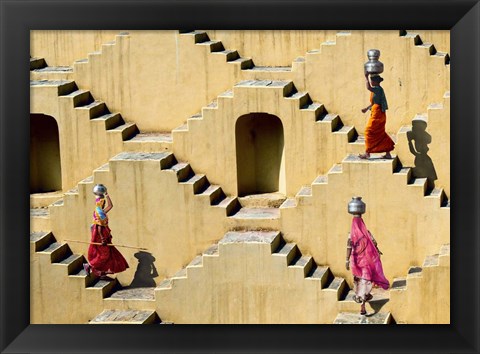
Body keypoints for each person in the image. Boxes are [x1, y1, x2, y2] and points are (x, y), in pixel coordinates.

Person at [346, 213, 389, 315]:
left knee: (359, 282)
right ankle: (363, 304)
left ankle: (359, 297)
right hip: (366, 263)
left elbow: (348, 248)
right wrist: (375, 250)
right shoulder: (367, 233)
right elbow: (374, 243)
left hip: (356, 263)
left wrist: (346, 260)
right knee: (366, 282)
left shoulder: (350, 234)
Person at [83, 185, 129, 280]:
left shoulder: (102, 212)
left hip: (105, 235)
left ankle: (102, 271)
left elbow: (111, 206)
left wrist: (107, 195)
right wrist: (103, 239)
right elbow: (99, 227)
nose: (104, 205)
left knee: (108, 254)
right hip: (100, 237)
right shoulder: (98, 214)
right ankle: (90, 265)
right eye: (103, 203)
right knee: (104, 255)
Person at [359, 73, 395, 159]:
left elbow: (368, 87)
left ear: (375, 81)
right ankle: (387, 153)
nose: (371, 82)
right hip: (377, 113)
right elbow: (374, 103)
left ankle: (367, 153)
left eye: (372, 80)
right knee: (380, 132)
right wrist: (366, 108)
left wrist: (366, 77)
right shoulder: (377, 90)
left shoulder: (378, 89)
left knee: (368, 131)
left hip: (378, 114)